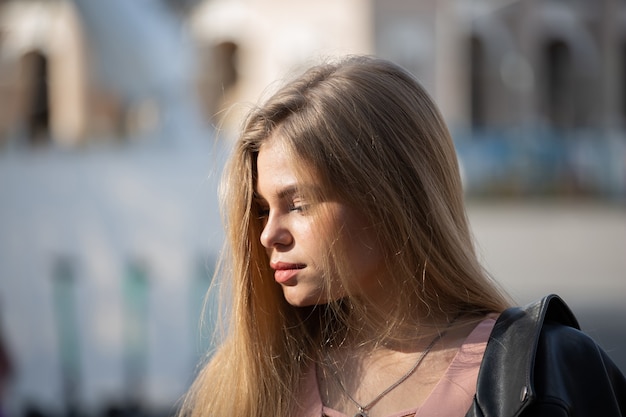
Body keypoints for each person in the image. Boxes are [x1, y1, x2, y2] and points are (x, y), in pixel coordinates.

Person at [179, 55, 626, 417]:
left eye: (298, 204)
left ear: (390, 197)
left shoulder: (547, 371)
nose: (268, 235)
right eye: (261, 210)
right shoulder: (250, 385)